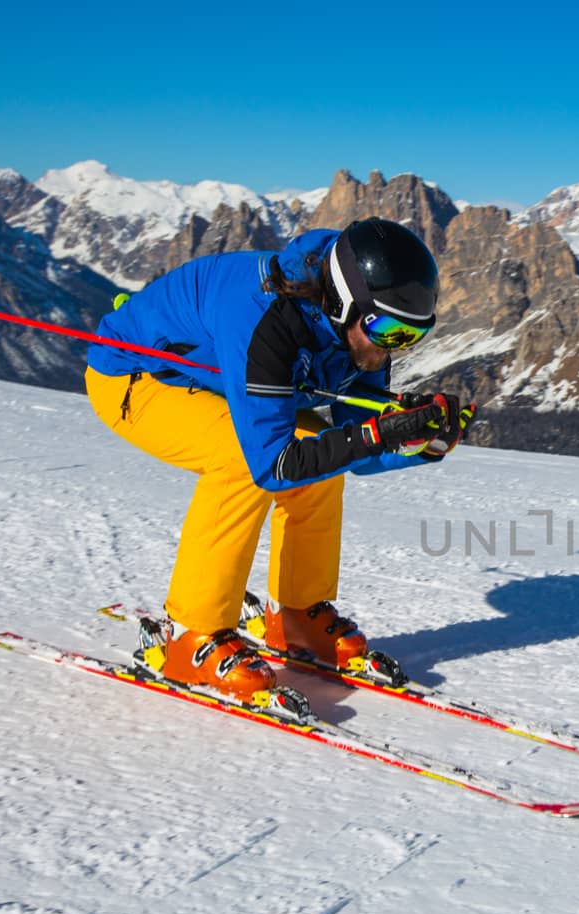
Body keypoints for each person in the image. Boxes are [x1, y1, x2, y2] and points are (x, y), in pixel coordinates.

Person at [84, 217, 472, 703]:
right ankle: (191, 635)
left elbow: (355, 450)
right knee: (242, 461)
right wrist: (372, 435)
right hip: (134, 377)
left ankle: (295, 614)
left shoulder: (362, 334)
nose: (391, 346)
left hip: (217, 386)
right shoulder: (264, 317)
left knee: (322, 449)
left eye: (410, 336)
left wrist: (419, 443)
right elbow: (272, 466)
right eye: (387, 329)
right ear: (345, 302)